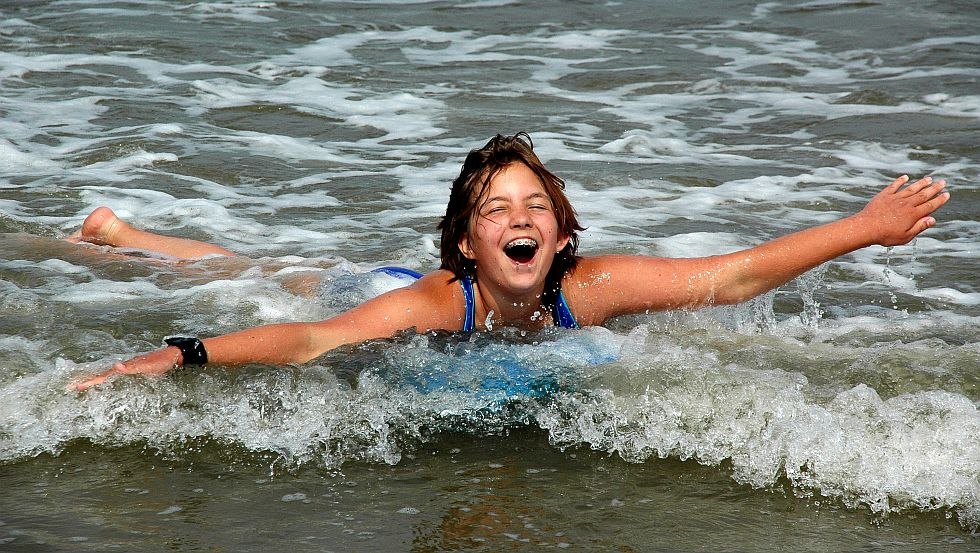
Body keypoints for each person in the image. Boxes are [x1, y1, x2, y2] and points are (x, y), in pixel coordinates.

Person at [70, 133, 950, 391]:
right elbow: (309, 341)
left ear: (562, 236)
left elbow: (735, 275)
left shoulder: (589, 286)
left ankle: (126, 233)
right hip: (371, 292)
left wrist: (866, 226)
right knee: (266, 269)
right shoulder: (432, 298)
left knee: (277, 263)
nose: (520, 219)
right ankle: (125, 238)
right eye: (497, 210)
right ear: (467, 242)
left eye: (537, 207)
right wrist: (183, 352)